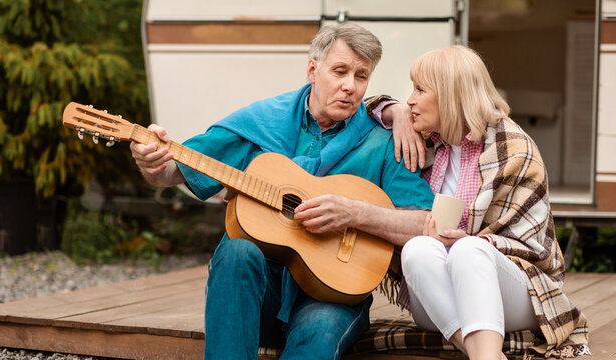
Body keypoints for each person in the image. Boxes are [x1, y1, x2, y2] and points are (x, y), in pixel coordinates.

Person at [130, 22, 434, 360]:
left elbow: (424, 222)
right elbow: (174, 172)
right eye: (340, 71)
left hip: (333, 295)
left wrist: (356, 213)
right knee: (236, 252)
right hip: (258, 297)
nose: (349, 86)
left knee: (316, 338)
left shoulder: (384, 142)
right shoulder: (262, 122)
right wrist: (152, 163)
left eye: (361, 77)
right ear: (312, 70)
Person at [369, 45, 590, 359]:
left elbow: (531, 248)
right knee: (418, 247)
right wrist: (396, 113)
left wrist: (473, 240)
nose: (411, 99)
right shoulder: (425, 141)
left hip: (516, 292)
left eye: (420, 89)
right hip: (437, 297)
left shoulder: (513, 149)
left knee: (468, 249)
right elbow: (364, 109)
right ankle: (484, 353)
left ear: (450, 93)